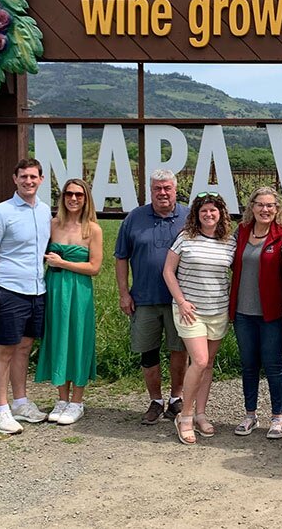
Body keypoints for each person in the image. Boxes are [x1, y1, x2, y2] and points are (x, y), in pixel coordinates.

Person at [0, 158, 53, 434]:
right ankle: (1, 410)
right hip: (7, 291)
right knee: (4, 351)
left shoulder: (44, 211)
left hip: (36, 291)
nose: (28, 181)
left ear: (41, 180)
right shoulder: (0, 213)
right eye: (23, 177)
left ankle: (20, 403)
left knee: (24, 349)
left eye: (33, 177)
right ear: (14, 179)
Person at [114, 169, 189, 425]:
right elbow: (121, 257)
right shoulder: (135, 218)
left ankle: (177, 398)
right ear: (150, 190)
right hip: (144, 298)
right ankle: (155, 401)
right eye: (157, 188)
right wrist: (124, 293)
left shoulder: (189, 217)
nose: (162, 193)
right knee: (148, 351)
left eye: (167, 188)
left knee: (179, 349)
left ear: (175, 189)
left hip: (179, 300)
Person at [162, 192, 237, 445]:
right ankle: (185, 416)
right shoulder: (185, 238)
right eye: (203, 211)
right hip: (190, 311)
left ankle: (202, 414)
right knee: (200, 360)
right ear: (196, 214)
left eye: (213, 211)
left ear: (221, 214)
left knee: (208, 363)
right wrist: (181, 301)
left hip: (218, 310)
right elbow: (168, 271)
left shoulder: (229, 242)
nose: (208, 214)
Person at [35, 178, 103, 426]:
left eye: (79, 195)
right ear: (62, 197)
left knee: (78, 340)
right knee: (57, 339)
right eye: (69, 194)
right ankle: (61, 399)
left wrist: (63, 263)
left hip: (79, 291)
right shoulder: (52, 224)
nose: (73, 199)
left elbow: (94, 267)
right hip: (54, 289)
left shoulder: (92, 229)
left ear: (86, 199)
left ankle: (77, 401)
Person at [229, 186, 282, 439]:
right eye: (260, 205)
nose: (265, 210)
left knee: (274, 364)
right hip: (243, 311)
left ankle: (278, 417)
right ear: (251, 207)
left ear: (278, 210)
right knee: (249, 365)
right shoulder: (241, 232)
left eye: (270, 206)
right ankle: (250, 414)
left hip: (272, 313)